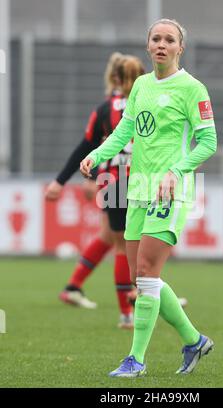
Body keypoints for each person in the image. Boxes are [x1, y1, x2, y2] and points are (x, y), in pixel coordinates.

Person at [80, 19, 217, 377]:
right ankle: (193, 339)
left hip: (170, 191)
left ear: (179, 48)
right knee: (144, 279)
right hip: (137, 190)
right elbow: (126, 129)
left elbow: (208, 142)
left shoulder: (192, 88)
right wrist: (97, 154)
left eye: (169, 39)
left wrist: (176, 172)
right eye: (156, 38)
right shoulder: (141, 85)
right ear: (147, 45)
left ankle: (136, 359)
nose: (161, 44)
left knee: (145, 272)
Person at [45, 52, 145, 329]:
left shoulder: (105, 108)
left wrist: (63, 180)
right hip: (136, 181)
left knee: (119, 242)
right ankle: (132, 305)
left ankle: (134, 296)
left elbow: (87, 145)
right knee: (128, 244)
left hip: (110, 182)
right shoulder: (147, 104)